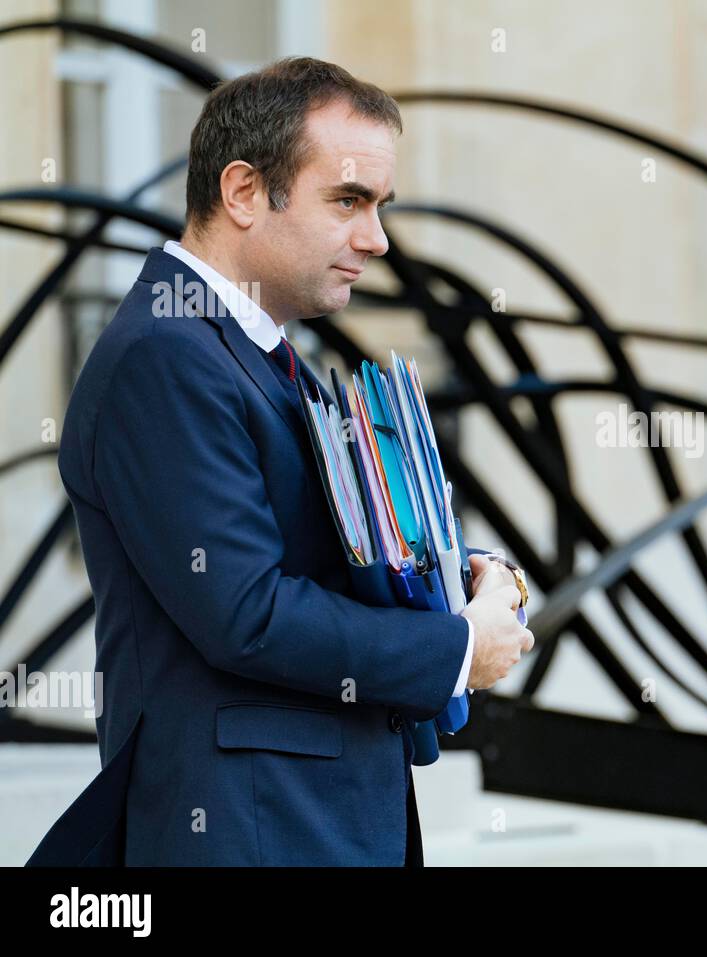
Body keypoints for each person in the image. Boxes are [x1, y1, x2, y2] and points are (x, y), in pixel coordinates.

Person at [29, 57, 532, 866]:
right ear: (243, 193)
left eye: (379, 206)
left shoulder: (248, 352)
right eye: (348, 200)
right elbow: (246, 611)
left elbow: (311, 560)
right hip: (252, 831)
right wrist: (455, 650)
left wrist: (458, 577)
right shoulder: (166, 354)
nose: (377, 238)